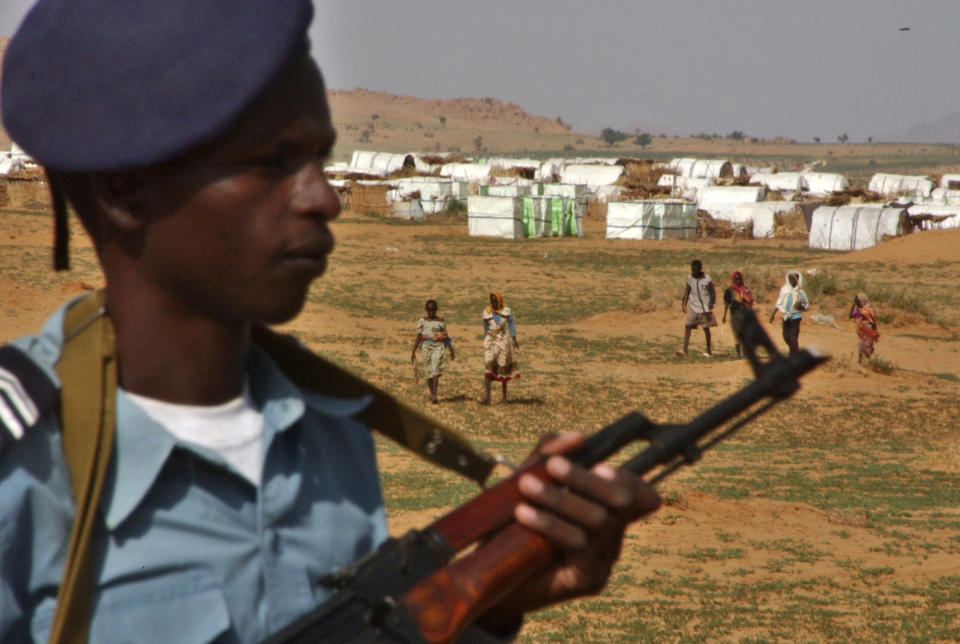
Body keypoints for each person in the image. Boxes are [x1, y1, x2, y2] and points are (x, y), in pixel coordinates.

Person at [0, 1, 660, 641]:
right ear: (125, 189)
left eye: (320, 158)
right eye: (270, 162)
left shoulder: (327, 432)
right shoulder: (26, 470)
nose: (324, 198)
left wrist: (489, 604)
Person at [411, 299, 455, 403]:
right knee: (429, 371)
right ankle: (432, 393)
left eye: (432, 310)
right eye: (429, 310)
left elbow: (445, 336)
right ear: (426, 310)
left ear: (436, 310)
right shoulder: (422, 321)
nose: (431, 313)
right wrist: (413, 351)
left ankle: (435, 395)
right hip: (426, 347)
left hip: (438, 347)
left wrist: (451, 350)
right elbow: (419, 336)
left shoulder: (440, 321)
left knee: (435, 370)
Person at [481, 291, 520, 404]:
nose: (493, 303)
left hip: (503, 342)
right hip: (490, 342)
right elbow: (485, 328)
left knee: (502, 367)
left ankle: (504, 397)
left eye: (495, 301)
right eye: (492, 301)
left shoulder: (506, 312)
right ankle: (487, 397)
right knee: (488, 366)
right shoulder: (486, 313)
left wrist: (514, 338)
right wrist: (485, 341)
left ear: (499, 301)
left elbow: (511, 324)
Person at [677, 259, 717, 358]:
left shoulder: (707, 279)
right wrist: (684, 304)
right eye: (692, 270)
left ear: (699, 269)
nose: (693, 272)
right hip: (694, 306)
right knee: (688, 325)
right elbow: (687, 291)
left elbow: (712, 292)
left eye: (695, 270)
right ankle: (684, 349)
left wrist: (711, 302)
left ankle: (708, 350)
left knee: (706, 328)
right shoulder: (690, 278)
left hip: (704, 308)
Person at [769, 270, 809, 354]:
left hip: (796, 316)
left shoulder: (800, 292)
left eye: (794, 279)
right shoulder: (784, 290)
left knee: (793, 337)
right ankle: (793, 351)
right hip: (786, 316)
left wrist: (801, 306)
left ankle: (794, 356)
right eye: (790, 279)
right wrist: (773, 315)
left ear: (798, 280)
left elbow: (806, 305)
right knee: (786, 336)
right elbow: (779, 302)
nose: (792, 281)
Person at [721, 270, 755, 359]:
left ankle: (745, 353)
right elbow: (726, 303)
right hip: (735, 314)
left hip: (744, 314)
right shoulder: (730, 290)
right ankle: (738, 354)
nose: (737, 280)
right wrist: (724, 315)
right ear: (733, 279)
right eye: (736, 279)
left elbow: (750, 302)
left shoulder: (745, 289)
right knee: (736, 334)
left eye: (739, 279)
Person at [849, 293, 880, 364]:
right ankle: (861, 362)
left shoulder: (866, 309)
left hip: (867, 329)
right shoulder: (860, 309)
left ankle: (869, 363)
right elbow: (851, 316)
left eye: (857, 301)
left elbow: (873, 320)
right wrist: (853, 306)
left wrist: (875, 331)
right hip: (864, 329)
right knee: (862, 345)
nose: (856, 303)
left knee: (866, 345)